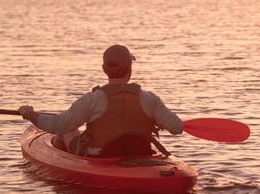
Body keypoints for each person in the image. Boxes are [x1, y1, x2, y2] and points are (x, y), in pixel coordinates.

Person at [18, 44, 183, 157]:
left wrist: (31, 114)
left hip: (101, 158)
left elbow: (57, 125)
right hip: (140, 155)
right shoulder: (149, 99)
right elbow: (177, 127)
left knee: (67, 130)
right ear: (130, 69)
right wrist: (156, 119)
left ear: (104, 69)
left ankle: (62, 190)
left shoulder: (92, 100)